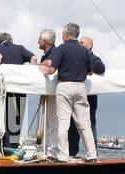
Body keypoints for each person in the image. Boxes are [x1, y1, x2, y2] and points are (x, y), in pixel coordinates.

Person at [44, 23, 97, 163]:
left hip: (65, 86)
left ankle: (62, 156)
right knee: (85, 124)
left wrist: (43, 69)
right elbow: (90, 71)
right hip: (80, 87)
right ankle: (92, 155)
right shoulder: (84, 50)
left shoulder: (61, 48)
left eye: (62, 34)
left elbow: (52, 69)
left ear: (66, 34)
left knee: (63, 123)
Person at [0, 32, 37, 148]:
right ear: (11, 40)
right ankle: (14, 146)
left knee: (4, 118)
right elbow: (33, 58)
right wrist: (31, 74)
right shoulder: (20, 48)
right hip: (20, 89)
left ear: (0, 41)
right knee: (17, 118)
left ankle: (6, 148)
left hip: (5, 90)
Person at [68, 36, 106, 156]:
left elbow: (100, 68)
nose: (79, 44)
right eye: (79, 42)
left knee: (90, 126)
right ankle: (71, 154)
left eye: (82, 43)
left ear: (90, 46)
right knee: (73, 127)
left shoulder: (94, 58)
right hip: (74, 99)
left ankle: (93, 153)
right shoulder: (75, 57)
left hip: (89, 102)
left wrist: (85, 61)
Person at [38, 29, 59, 160]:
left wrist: (40, 65)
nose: (37, 41)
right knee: (45, 122)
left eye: (39, 39)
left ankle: (53, 152)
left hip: (53, 92)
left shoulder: (55, 52)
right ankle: (44, 149)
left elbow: (50, 63)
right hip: (46, 91)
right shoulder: (47, 53)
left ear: (45, 42)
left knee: (53, 122)